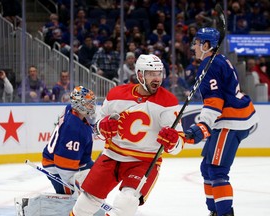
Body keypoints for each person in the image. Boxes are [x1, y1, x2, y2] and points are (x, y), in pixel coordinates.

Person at [70, 54, 185, 216]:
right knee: (84, 204)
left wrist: (173, 142)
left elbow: (178, 145)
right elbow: (97, 127)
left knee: (127, 202)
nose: (157, 78)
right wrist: (103, 127)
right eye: (151, 73)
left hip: (143, 162)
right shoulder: (116, 94)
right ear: (140, 75)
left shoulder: (168, 102)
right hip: (111, 156)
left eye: (159, 73)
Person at [184, 27, 259, 216]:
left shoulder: (210, 64)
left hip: (231, 121)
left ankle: (223, 213)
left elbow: (214, 102)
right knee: (207, 168)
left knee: (217, 171)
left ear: (206, 45)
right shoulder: (217, 60)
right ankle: (215, 211)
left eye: (196, 42)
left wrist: (203, 125)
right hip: (229, 119)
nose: (193, 46)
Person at [42, 86, 97, 195]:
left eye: (92, 102)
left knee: (99, 172)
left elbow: (88, 126)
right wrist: (76, 185)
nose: (92, 106)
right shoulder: (73, 129)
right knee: (76, 195)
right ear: (78, 104)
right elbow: (65, 167)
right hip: (56, 167)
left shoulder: (70, 109)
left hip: (69, 158)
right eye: (88, 103)